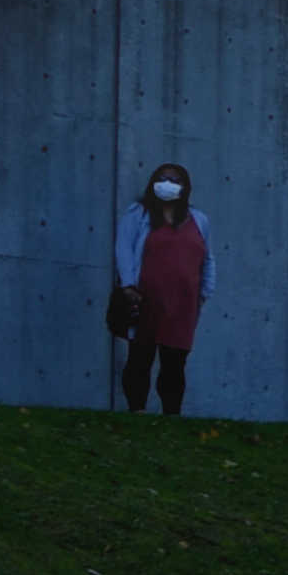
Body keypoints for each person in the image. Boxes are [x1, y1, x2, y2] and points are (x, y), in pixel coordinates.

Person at [110, 163, 211, 413]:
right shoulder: (138, 214)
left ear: (185, 187)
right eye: (163, 178)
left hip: (183, 305)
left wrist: (205, 291)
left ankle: (171, 415)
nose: (168, 183)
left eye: (175, 179)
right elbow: (124, 249)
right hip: (144, 300)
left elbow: (207, 258)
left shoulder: (199, 220)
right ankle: (137, 411)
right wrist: (128, 285)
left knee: (174, 363)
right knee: (140, 358)